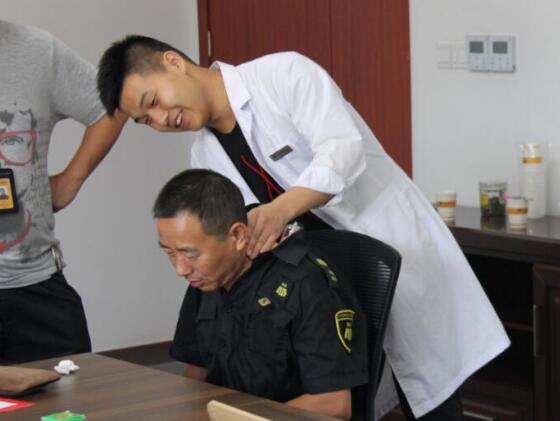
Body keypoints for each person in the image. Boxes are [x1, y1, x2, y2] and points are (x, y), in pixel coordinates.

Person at [97, 35, 510, 420]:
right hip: (315, 289)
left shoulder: (283, 76)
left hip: (389, 253)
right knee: (351, 396)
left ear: (173, 62)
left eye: (154, 101)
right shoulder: (204, 157)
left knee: (429, 400)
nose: (161, 120)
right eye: (146, 120)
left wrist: (280, 210)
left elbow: (342, 149)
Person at [154, 168, 368, 420]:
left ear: (237, 235)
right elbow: (197, 371)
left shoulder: (305, 285)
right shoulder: (205, 280)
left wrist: (237, 417)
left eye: (190, 254)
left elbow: (333, 404)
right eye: (170, 253)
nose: (180, 269)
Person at [0, 21, 125, 364]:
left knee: (73, 396)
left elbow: (112, 105)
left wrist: (71, 180)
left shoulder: (36, 49)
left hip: (36, 287)